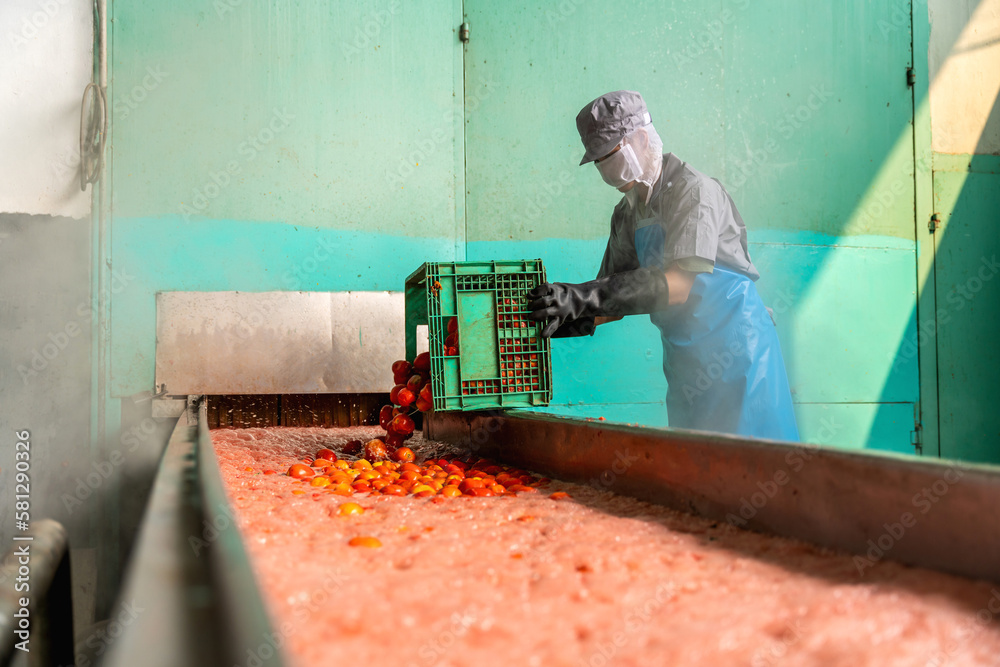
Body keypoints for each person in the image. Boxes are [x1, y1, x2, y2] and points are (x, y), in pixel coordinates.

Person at [527, 90, 799, 441]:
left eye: (612, 155)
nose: (607, 169)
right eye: (599, 161)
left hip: (738, 354)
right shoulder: (626, 212)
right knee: (695, 470)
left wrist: (580, 297)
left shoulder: (694, 191)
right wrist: (558, 316)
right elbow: (611, 300)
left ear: (641, 137)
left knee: (752, 470)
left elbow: (678, 286)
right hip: (685, 360)